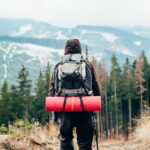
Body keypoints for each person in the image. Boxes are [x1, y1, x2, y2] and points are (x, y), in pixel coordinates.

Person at [49, 39, 100, 150]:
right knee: (85, 142)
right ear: (79, 49)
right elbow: (96, 87)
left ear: (65, 49)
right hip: (84, 108)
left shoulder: (59, 66)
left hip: (65, 109)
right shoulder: (87, 64)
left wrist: (55, 114)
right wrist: (94, 103)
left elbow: (52, 90)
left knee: (65, 139)